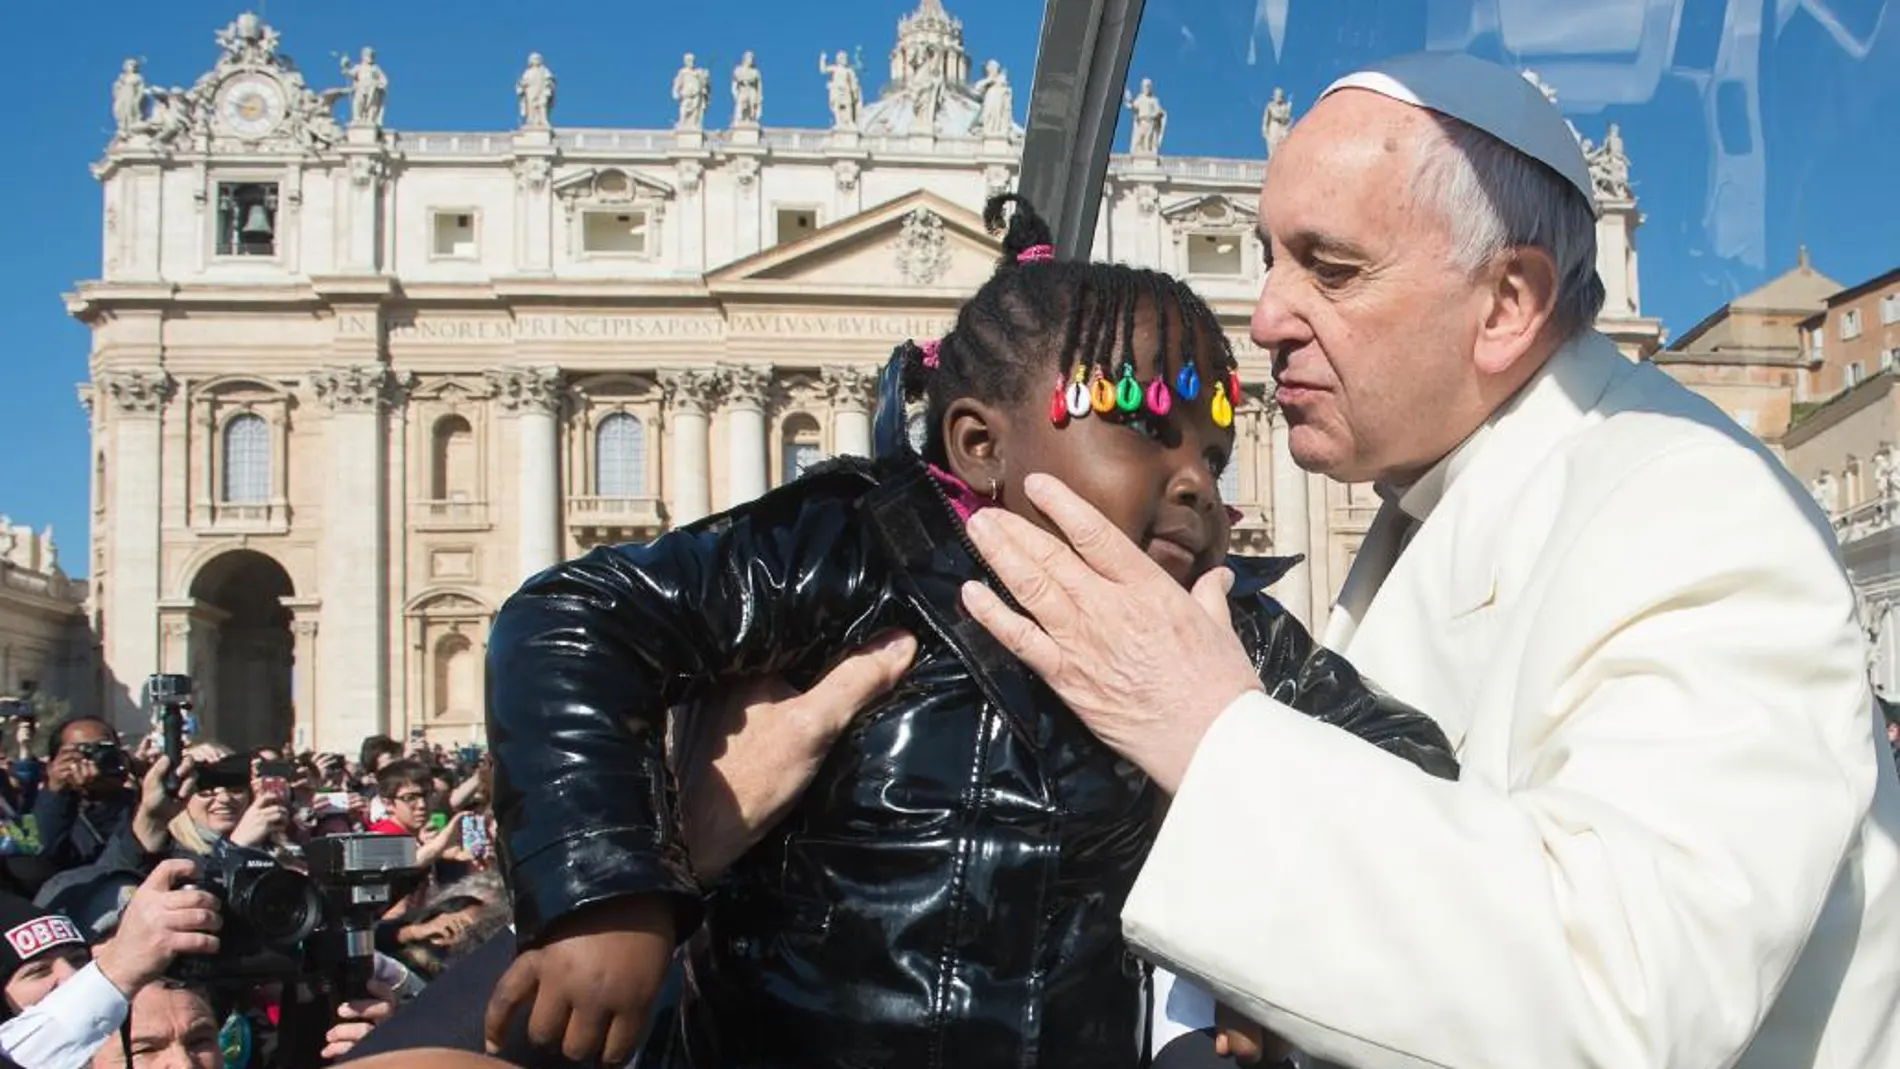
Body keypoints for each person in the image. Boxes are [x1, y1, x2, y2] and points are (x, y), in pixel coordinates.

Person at [948, 51, 1900, 1068]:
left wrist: (1202, 728)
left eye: (1330, 267)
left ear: (1505, 304)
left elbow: (1619, 998)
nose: (1265, 316)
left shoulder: (1701, 513)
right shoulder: (1432, 491)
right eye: (1269, 258)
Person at [481, 192, 1456, 1069]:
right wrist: (606, 890)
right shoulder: (849, 544)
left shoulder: (1215, 626)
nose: (1199, 478)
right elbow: (575, 618)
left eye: (1214, 447)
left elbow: (1396, 767)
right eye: (1145, 424)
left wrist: (1277, 948)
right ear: (980, 446)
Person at [32, 718, 137, 871]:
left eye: (102, 750)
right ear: (52, 765)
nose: (93, 760)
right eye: (81, 752)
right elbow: (38, 857)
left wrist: (106, 794)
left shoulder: (140, 805)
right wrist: (56, 791)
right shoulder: (40, 806)